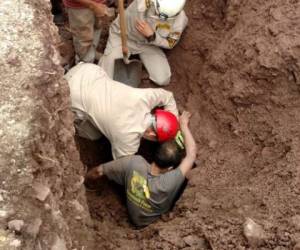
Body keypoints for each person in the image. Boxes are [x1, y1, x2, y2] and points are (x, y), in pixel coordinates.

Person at [85, 111, 197, 227]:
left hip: (132, 215)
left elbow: (99, 171)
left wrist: (86, 182)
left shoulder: (134, 163)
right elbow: (191, 155)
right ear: (170, 168)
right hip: (153, 224)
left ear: (155, 154)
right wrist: (183, 125)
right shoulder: (169, 182)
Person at [65, 63, 179, 159]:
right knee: (94, 135)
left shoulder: (144, 98)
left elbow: (168, 96)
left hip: (87, 70)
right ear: (151, 134)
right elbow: (121, 168)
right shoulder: (128, 142)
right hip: (68, 92)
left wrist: (173, 121)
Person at [99, 0, 188, 86]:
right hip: (123, 36)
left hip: (147, 44)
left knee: (163, 79)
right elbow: (133, 24)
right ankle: (106, 58)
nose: (162, 19)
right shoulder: (142, 3)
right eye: (158, 14)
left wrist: (153, 37)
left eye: (166, 18)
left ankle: (140, 62)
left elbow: (170, 43)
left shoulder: (180, 20)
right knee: (105, 77)